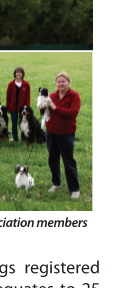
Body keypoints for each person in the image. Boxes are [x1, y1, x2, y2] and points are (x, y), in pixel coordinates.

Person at [44, 69, 82, 198]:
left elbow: (73, 113)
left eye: (63, 82)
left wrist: (56, 108)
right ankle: (56, 183)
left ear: (69, 82)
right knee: (52, 159)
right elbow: (45, 114)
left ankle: (75, 188)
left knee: (68, 161)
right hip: (51, 132)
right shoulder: (52, 96)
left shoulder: (74, 96)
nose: (60, 84)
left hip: (66, 134)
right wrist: (43, 106)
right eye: (58, 82)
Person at [5, 65, 30, 142]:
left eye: (20, 73)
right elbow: (8, 96)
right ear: (15, 74)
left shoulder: (26, 84)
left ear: (22, 74)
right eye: (17, 73)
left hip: (22, 109)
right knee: (14, 124)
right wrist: (8, 107)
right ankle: (15, 139)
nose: (18, 74)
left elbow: (28, 97)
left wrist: (27, 108)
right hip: (13, 108)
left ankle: (23, 138)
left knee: (23, 124)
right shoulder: (11, 84)